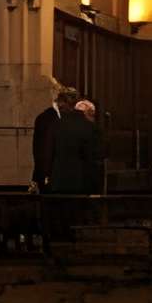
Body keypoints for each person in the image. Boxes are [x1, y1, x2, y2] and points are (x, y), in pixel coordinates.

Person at [41, 91, 104, 239]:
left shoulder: (56, 125)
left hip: (59, 177)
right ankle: (76, 240)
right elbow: (96, 155)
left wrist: (47, 174)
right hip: (80, 179)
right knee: (77, 212)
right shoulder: (89, 127)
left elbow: (48, 152)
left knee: (61, 212)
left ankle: (61, 239)